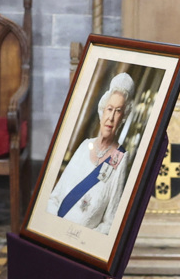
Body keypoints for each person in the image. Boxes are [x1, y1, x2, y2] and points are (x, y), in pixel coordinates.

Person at [46, 72, 135, 235]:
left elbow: (111, 222)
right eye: (109, 109)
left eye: (118, 111)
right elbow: (54, 198)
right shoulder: (84, 146)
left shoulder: (120, 159)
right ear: (102, 111)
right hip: (55, 232)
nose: (111, 118)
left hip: (82, 245)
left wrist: (83, 239)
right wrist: (55, 230)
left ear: (123, 117)